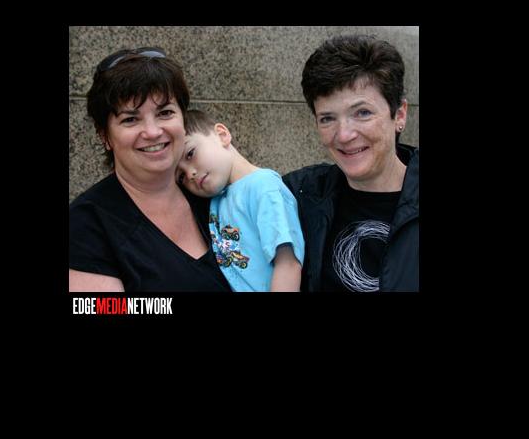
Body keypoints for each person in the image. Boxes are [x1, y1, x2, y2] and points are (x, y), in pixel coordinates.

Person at [69, 47, 232, 292]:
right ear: (105, 136)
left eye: (165, 113)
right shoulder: (86, 224)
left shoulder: (210, 191)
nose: (153, 132)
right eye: (130, 119)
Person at [283, 34, 419, 292]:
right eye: (327, 118)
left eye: (362, 113)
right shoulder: (299, 195)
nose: (344, 135)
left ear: (399, 114)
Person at [176, 110, 304, 291]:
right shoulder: (216, 202)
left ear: (222, 135)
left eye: (190, 154)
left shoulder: (264, 187)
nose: (190, 174)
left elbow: (288, 264)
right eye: (181, 176)